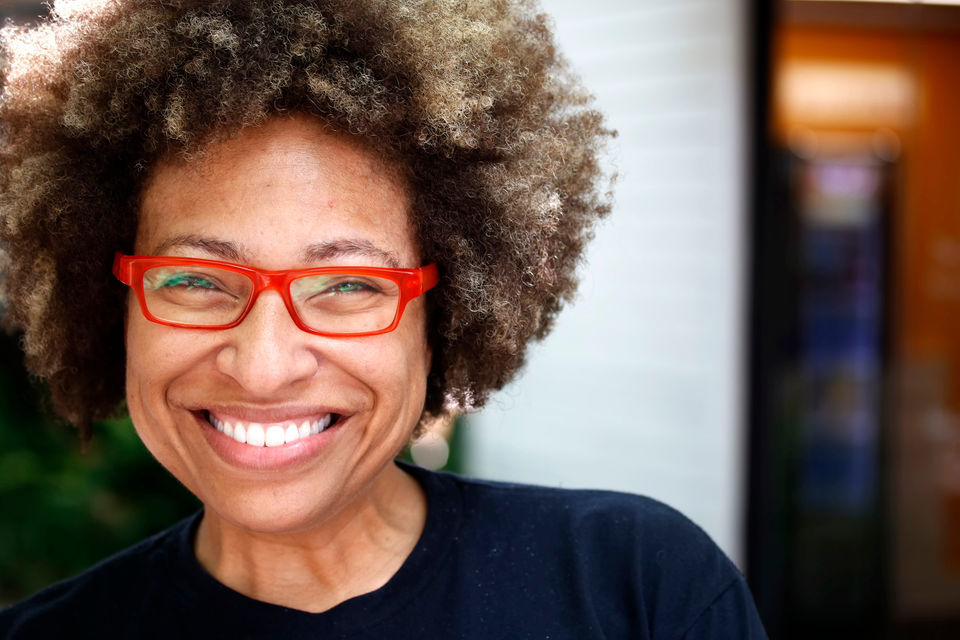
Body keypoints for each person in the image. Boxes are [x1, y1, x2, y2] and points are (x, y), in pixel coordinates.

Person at [0, 1, 767, 637]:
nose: (264, 366)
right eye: (197, 279)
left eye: (348, 284)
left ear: (442, 316)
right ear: (115, 307)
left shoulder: (638, 592)